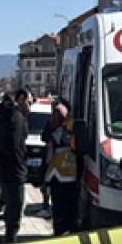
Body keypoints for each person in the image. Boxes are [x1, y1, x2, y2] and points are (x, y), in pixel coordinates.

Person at [0, 88, 31, 243]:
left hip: (5, 170)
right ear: (20, 99)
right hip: (15, 170)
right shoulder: (17, 118)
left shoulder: (5, 116)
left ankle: (8, 239)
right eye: (28, 102)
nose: (30, 107)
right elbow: (15, 147)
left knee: (10, 209)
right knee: (15, 212)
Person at [41, 99, 78, 236]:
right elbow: (45, 137)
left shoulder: (70, 126)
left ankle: (63, 231)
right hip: (58, 175)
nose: (54, 116)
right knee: (60, 211)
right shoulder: (53, 127)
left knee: (65, 211)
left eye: (57, 113)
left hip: (67, 175)